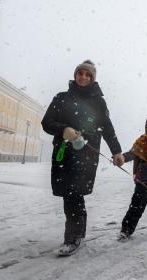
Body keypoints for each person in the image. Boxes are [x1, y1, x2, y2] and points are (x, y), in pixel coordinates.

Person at [41, 59, 124, 256]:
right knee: (69, 194)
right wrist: (64, 130)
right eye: (81, 73)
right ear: (75, 74)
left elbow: (107, 128)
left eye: (88, 74)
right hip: (63, 153)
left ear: (93, 78)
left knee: (74, 194)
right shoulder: (61, 98)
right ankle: (77, 233)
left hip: (86, 154)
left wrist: (116, 151)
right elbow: (46, 123)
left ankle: (73, 237)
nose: (83, 77)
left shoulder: (98, 102)